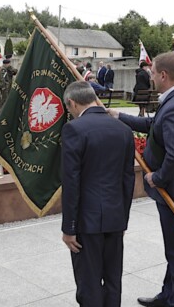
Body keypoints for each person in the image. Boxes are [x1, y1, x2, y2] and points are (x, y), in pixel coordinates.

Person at [107, 52, 174, 307]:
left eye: (152, 73)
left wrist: (157, 178)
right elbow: (155, 125)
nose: (150, 77)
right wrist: (121, 117)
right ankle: (168, 295)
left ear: (163, 75)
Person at [61, 81, 135, 307]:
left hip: (86, 221)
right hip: (115, 217)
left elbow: (71, 182)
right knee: (113, 280)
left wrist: (69, 228)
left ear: (72, 103)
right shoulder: (123, 129)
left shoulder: (74, 129)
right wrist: (123, 220)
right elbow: (128, 180)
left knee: (89, 282)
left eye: (68, 108)